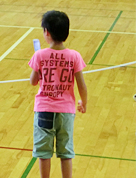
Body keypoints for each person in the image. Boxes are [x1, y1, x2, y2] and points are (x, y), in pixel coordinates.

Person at [29, 10, 87, 178]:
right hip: (66, 112)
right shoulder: (74, 56)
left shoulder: (39, 55)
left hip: (44, 110)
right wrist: (84, 102)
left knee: (44, 152)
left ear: (46, 32)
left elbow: (33, 81)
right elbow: (82, 85)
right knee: (66, 152)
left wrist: (39, 66)